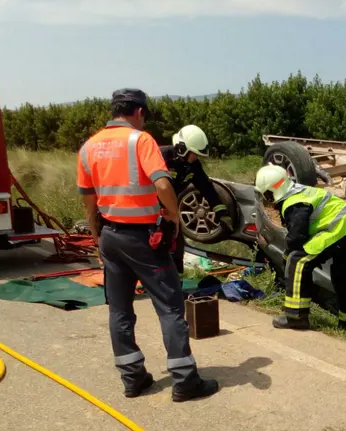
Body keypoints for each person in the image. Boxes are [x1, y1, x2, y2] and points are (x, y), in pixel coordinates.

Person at [76, 88, 219, 402]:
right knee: (169, 307)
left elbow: (88, 201)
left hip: (110, 237)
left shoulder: (88, 147)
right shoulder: (140, 140)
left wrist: (97, 235)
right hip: (143, 238)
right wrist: (173, 216)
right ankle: (185, 381)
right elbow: (162, 182)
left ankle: (133, 379)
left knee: (120, 310)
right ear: (138, 112)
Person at [253, 164, 346, 330]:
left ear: (270, 192)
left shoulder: (294, 203)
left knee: (297, 261)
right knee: (343, 275)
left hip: (336, 229)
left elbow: (297, 237)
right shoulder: (302, 191)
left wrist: (286, 258)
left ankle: (295, 316)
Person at [160, 124, 233, 274]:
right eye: (194, 153)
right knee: (153, 247)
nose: (196, 157)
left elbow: (207, 189)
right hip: (148, 210)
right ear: (182, 148)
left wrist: (222, 213)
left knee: (177, 246)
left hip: (169, 211)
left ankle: (176, 286)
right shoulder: (161, 157)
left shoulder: (193, 166)